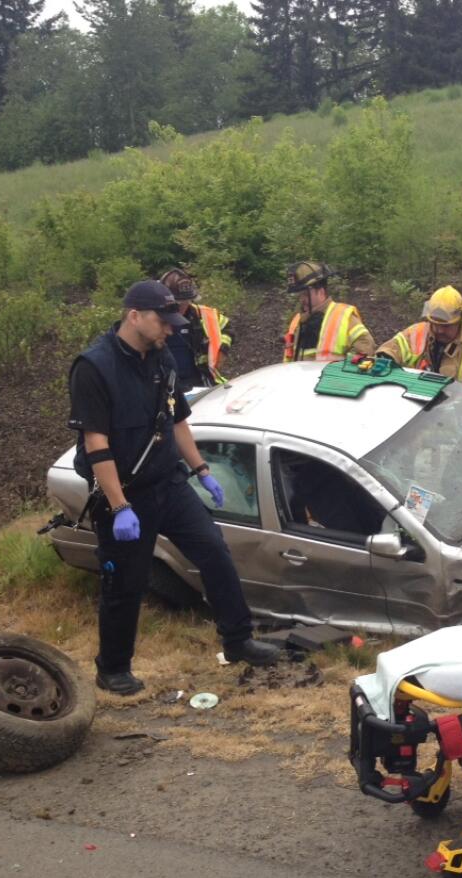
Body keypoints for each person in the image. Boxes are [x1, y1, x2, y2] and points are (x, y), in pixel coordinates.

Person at [68, 280, 279, 696]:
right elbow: (97, 442)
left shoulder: (161, 358)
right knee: (125, 582)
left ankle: (237, 640)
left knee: (214, 552)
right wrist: (119, 505)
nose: (170, 329)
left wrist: (202, 470)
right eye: (162, 321)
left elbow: (176, 419)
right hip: (124, 494)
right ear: (134, 316)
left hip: (169, 483)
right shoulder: (94, 367)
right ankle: (112, 668)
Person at [376, 285, 462, 396]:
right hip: (416, 406)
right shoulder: (416, 333)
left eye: (445, 326)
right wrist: (385, 358)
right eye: (433, 323)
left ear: (460, 321)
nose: (438, 330)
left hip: (455, 415)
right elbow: (391, 349)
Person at [283, 260, 376, 362]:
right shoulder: (297, 322)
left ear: (321, 291)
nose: (301, 299)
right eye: (300, 295)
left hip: (332, 378)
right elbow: (289, 361)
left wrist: (339, 371)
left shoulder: (342, 316)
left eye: (305, 294)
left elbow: (366, 349)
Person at [158, 268, 231, 391]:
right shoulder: (153, 320)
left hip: (201, 380)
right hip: (165, 386)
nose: (183, 306)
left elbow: (227, 328)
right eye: (178, 303)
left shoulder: (203, 314)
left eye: (186, 302)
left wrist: (222, 349)